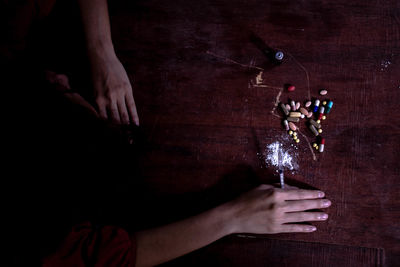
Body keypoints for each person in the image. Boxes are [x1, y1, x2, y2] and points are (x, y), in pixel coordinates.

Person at [1, 1, 332, 266]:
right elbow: (111, 257)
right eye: (66, 90)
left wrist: (101, 50)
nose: (62, 78)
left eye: (60, 89)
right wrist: (232, 217)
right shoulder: (38, 242)